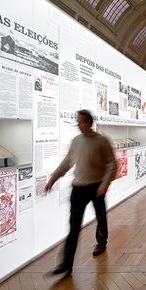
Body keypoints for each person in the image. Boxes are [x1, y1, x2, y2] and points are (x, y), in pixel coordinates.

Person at [45, 110, 117, 277]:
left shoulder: (102, 141)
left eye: (82, 122)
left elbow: (112, 164)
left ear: (89, 123)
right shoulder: (76, 141)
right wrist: (52, 179)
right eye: (77, 122)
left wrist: (105, 184)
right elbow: (67, 162)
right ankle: (66, 264)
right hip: (78, 188)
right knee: (74, 227)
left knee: (101, 216)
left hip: (97, 187)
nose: (79, 125)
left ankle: (102, 242)